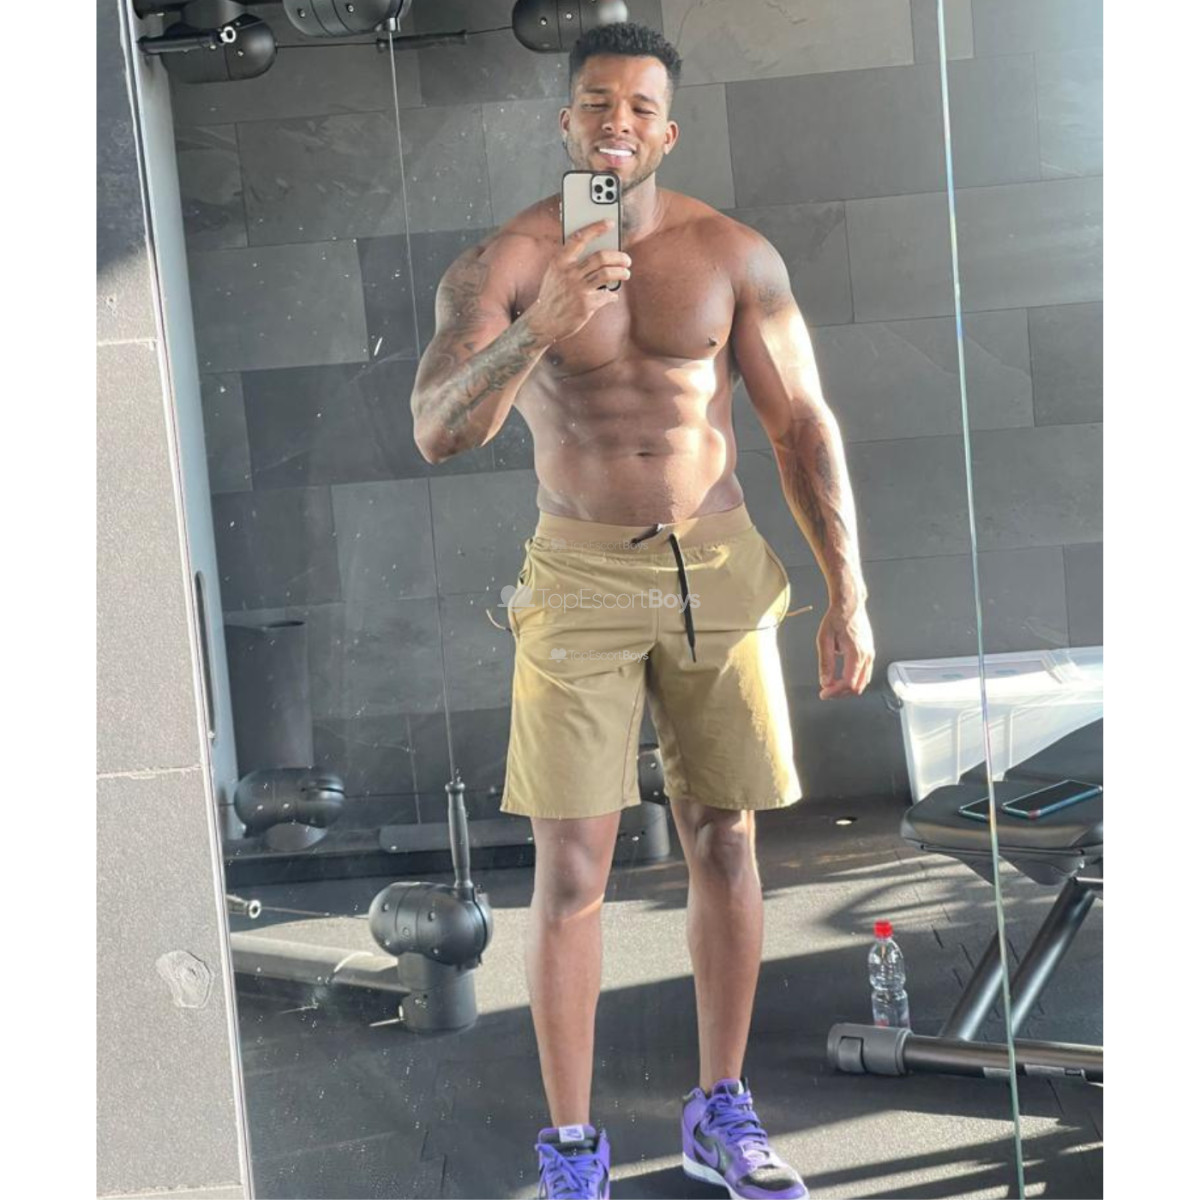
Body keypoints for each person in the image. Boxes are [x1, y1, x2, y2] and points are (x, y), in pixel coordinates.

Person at [411, 20, 874, 1200]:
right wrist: (542, 325)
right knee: (573, 868)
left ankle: (721, 1111)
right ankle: (573, 1151)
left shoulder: (733, 254)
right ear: (566, 124)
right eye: (597, 103)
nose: (617, 122)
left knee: (728, 838)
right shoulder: (505, 262)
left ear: (667, 132)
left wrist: (847, 592)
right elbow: (438, 430)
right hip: (578, 578)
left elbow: (799, 425)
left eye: (640, 107)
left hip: (717, 563)